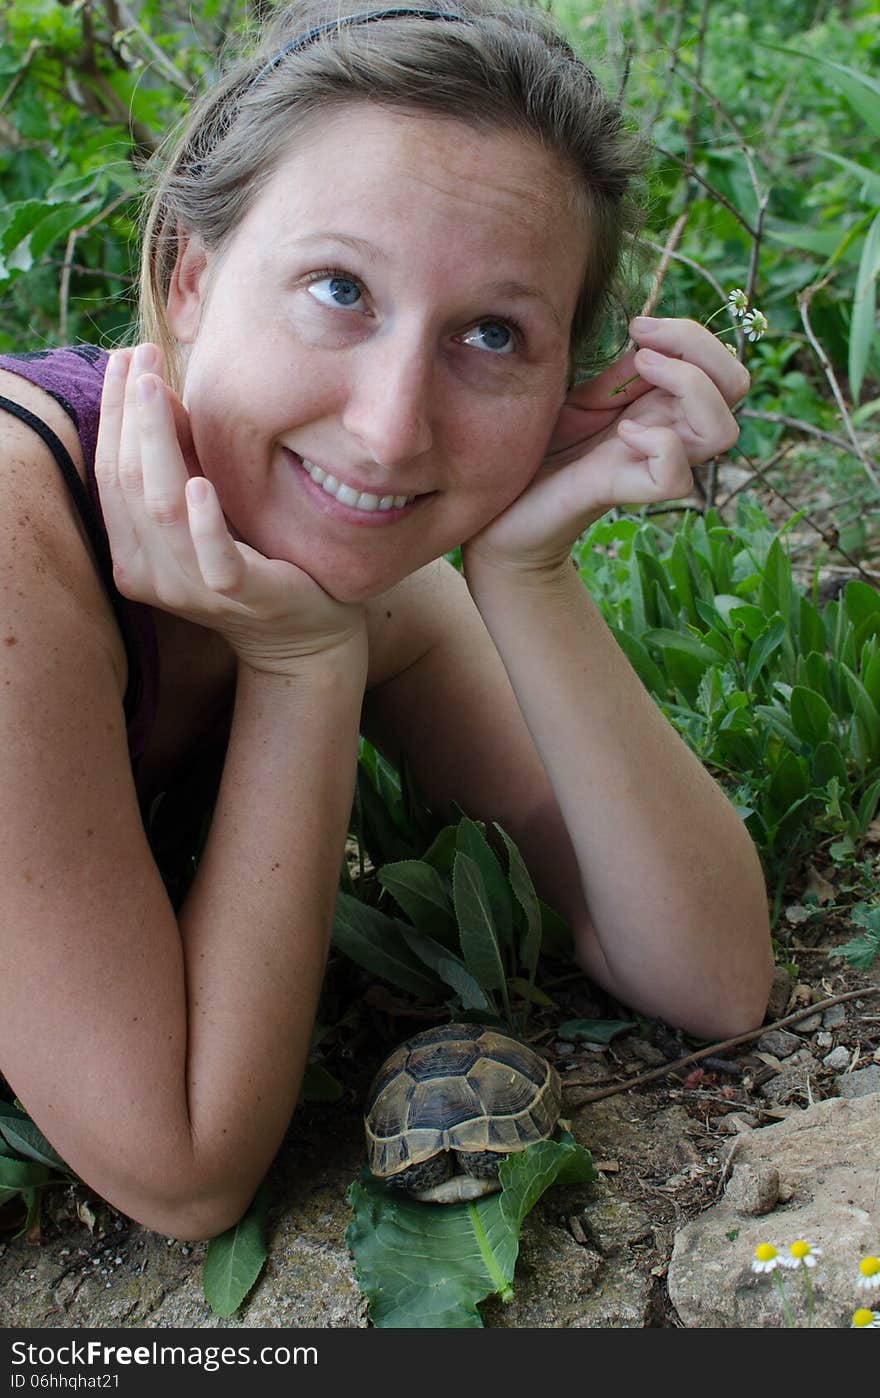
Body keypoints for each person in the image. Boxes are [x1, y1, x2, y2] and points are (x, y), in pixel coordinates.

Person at [0, 1, 773, 1241]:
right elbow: (179, 1168)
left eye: (491, 334)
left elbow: (715, 976)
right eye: (338, 287)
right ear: (190, 279)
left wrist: (526, 570)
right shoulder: (17, 533)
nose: (390, 427)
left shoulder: (348, 563)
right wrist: (305, 668)